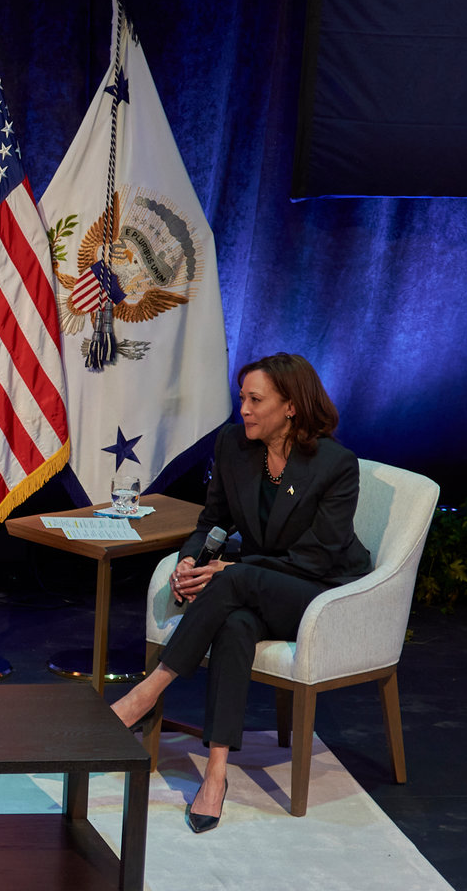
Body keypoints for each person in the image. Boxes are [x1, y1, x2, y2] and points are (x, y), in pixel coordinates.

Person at [110, 353, 372, 833]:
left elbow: (316, 559)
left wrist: (231, 568)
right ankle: (215, 773)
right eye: (242, 399)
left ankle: (145, 693)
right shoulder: (235, 445)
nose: (244, 410)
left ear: (290, 406)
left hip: (318, 595)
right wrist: (192, 558)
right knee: (234, 622)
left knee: (233, 579)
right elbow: (213, 521)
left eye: (256, 400)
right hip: (256, 587)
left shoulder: (335, 464)